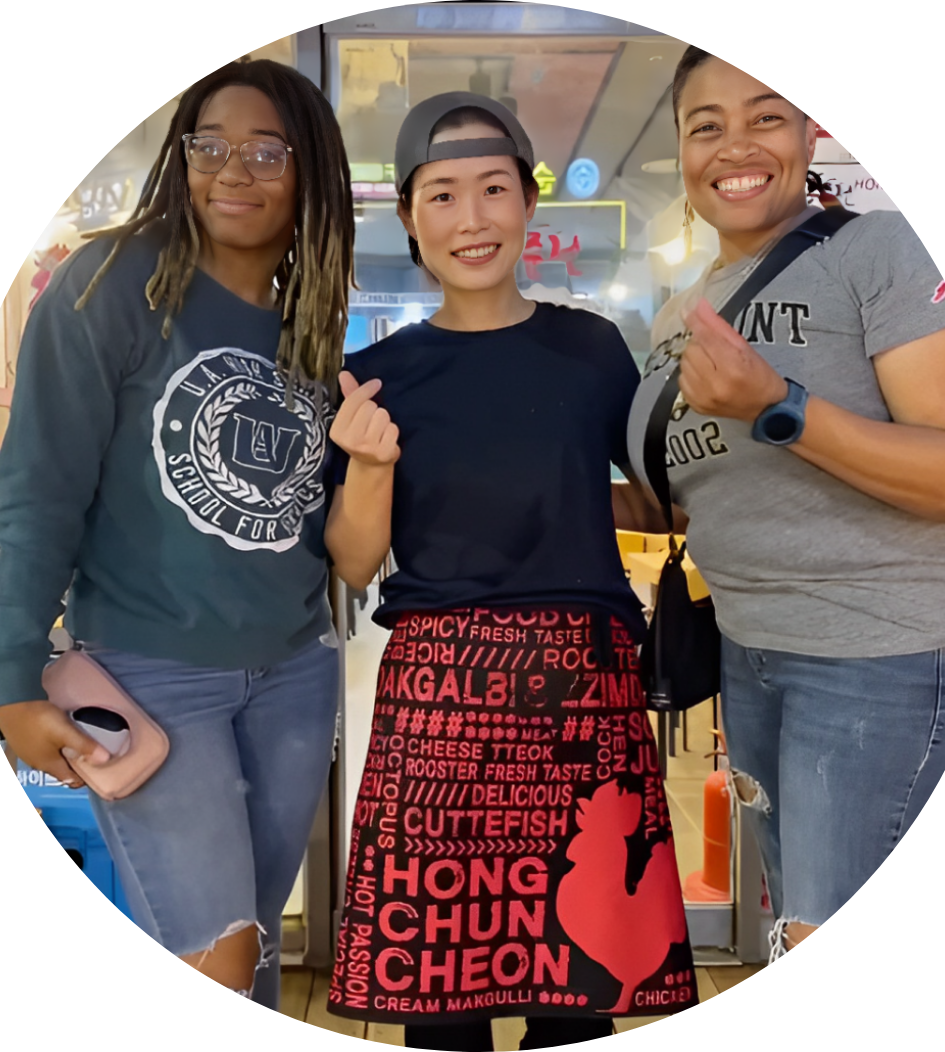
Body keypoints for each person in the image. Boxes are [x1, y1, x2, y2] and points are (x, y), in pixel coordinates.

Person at [0, 58, 355, 1009]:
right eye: (210, 146)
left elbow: (308, 513)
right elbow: (41, 489)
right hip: (152, 675)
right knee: (216, 952)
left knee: (251, 950)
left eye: (267, 152)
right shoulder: (111, 283)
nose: (233, 170)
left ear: (309, 171)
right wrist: (9, 675)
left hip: (295, 674)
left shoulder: (308, 320)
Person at [323, 92, 697, 1050]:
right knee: (440, 1013)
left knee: (579, 1003)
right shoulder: (377, 372)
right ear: (410, 218)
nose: (472, 218)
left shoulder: (591, 347)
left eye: (494, 189)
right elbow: (355, 561)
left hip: (583, 689)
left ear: (529, 203)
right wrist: (369, 464)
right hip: (440, 697)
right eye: (442, 196)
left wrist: (582, 490)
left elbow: (659, 502)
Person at [617, 47, 945, 962]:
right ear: (682, 151)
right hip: (751, 655)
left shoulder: (876, 251)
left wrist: (777, 404)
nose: (735, 145)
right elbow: (705, 494)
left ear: (807, 134)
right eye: (706, 126)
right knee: (794, 914)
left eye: (765, 116)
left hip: (881, 653)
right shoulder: (680, 317)